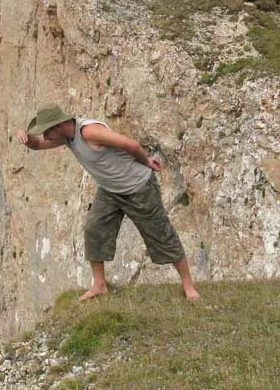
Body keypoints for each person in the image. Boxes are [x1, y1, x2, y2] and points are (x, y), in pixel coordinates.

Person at [15, 104, 201, 302]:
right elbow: (37, 144)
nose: (46, 137)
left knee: (162, 234)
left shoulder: (90, 132)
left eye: (46, 132)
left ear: (57, 126)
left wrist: (146, 162)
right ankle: (99, 285)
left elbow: (132, 145)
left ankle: (188, 286)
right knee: (94, 229)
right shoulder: (65, 137)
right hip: (110, 190)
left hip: (139, 188)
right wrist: (26, 139)